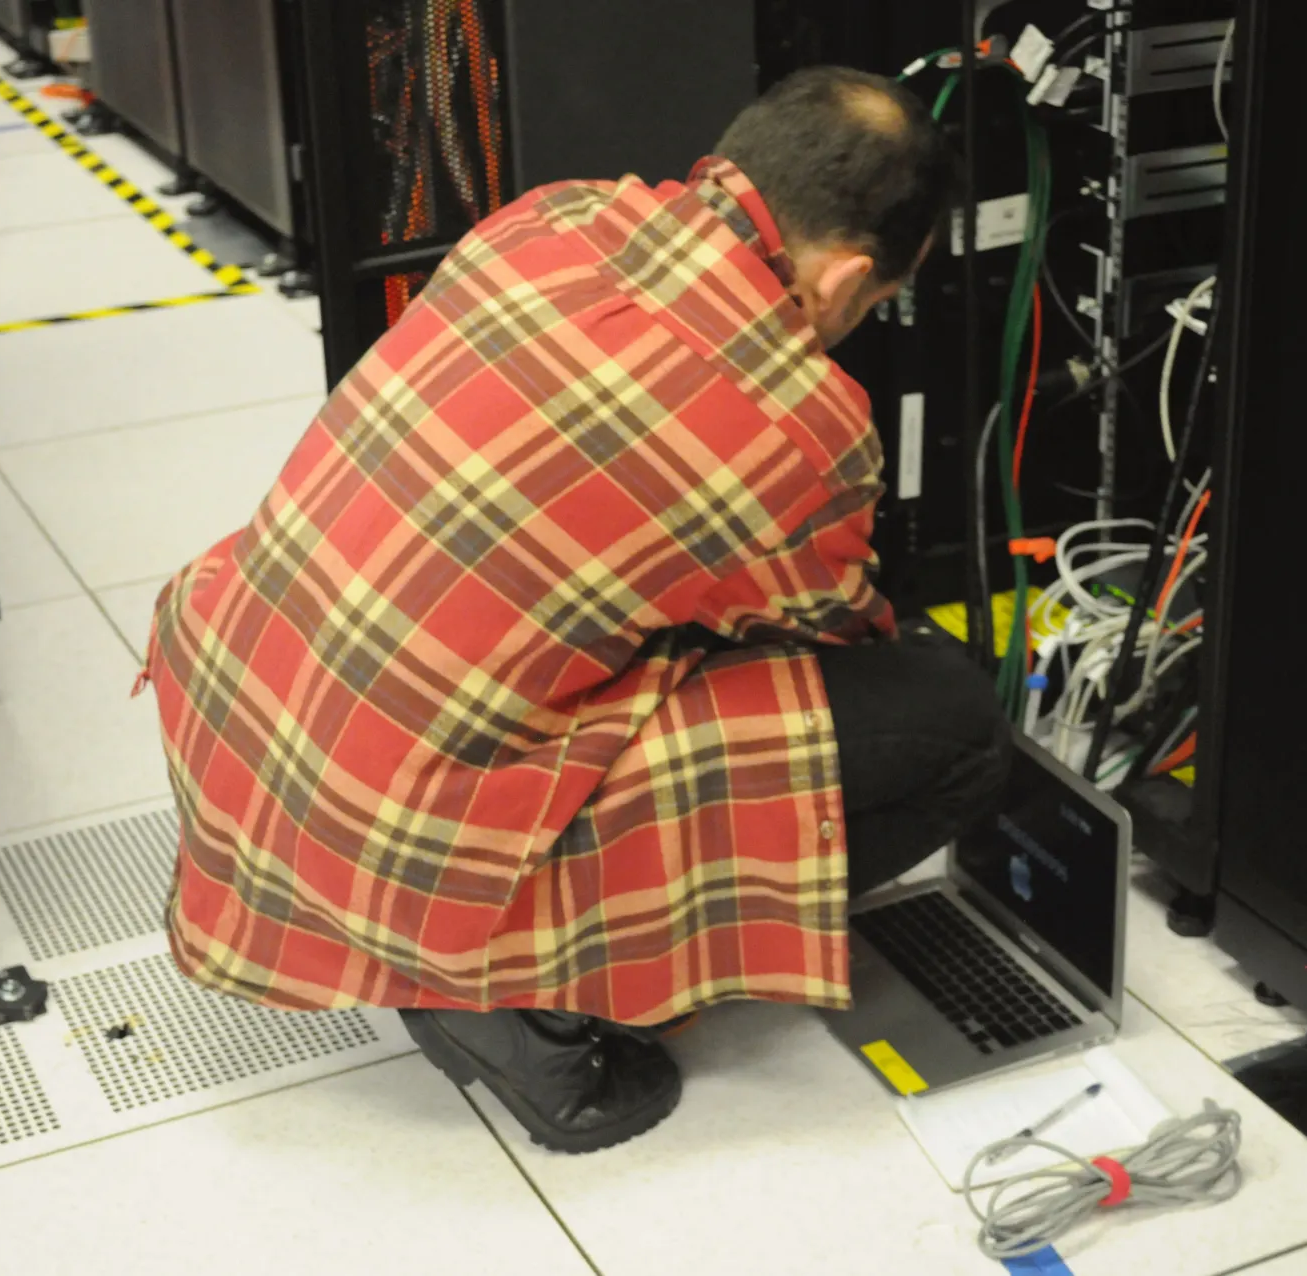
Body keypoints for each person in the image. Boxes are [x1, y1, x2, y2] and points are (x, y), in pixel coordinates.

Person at [141, 66, 1010, 1154]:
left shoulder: (557, 215)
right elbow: (829, 631)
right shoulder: (801, 421)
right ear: (842, 280)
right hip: (390, 837)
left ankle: (482, 957)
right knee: (949, 726)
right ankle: (520, 1002)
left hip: (240, 723)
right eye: (879, 300)